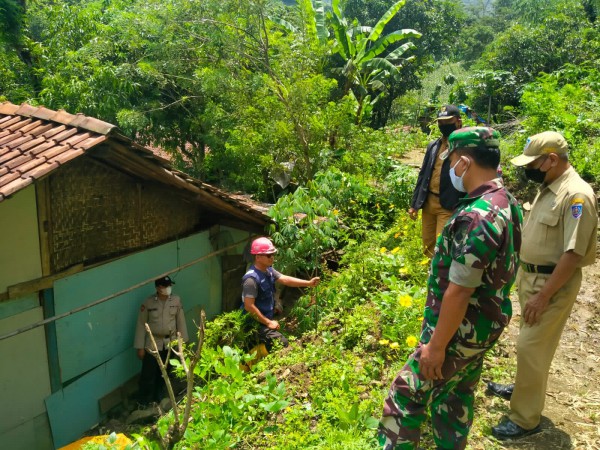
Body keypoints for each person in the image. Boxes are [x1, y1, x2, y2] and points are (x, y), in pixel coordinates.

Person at [378, 127, 523, 449]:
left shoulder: (477, 216)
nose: (448, 169)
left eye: (451, 162)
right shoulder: (506, 202)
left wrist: (436, 347)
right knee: (453, 396)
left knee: (405, 395)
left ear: (465, 162)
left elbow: (460, 289)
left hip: (460, 330)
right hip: (482, 326)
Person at [489, 131, 598, 439]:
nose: (530, 169)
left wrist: (543, 296)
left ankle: (525, 419)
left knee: (531, 347)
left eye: (534, 163)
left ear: (552, 159)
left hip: (551, 284)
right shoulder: (550, 186)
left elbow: (573, 254)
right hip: (532, 277)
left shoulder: (576, 195)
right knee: (529, 343)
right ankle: (523, 391)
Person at [241, 237, 320, 351]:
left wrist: (308, 283)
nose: (272, 257)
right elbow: (249, 306)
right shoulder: (251, 279)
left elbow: (285, 279)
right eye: (269, 255)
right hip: (254, 324)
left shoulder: (269, 271)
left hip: (264, 319)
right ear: (258, 257)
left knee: (274, 346)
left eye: (273, 254)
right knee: (283, 344)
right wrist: (268, 323)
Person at [409, 105, 463, 257]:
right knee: (427, 244)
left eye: (448, 122)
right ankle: (429, 275)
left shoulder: (464, 147)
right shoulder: (433, 146)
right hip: (428, 203)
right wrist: (414, 204)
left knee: (442, 246)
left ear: (458, 122)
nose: (443, 126)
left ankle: (440, 277)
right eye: (441, 122)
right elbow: (423, 175)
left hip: (448, 204)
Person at [134, 275, 188, 404]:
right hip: (152, 344)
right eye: (166, 286)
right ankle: (145, 402)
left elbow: (181, 322)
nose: (169, 288)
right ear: (159, 288)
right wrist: (140, 347)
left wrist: (183, 343)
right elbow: (141, 324)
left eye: (170, 286)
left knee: (165, 374)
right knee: (148, 374)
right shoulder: (149, 303)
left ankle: (160, 399)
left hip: (170, 343)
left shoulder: (176, 301)